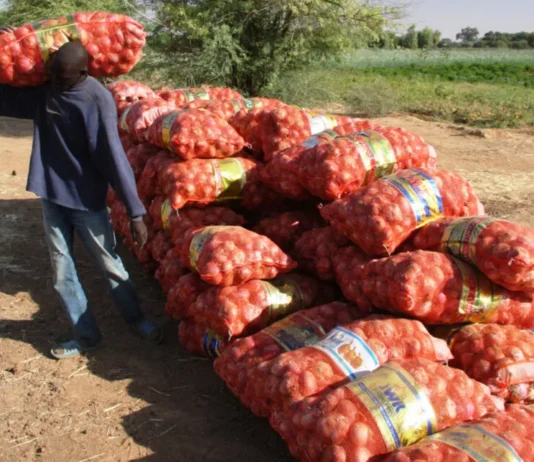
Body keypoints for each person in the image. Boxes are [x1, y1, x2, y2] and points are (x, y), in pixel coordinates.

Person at [0, 33, 162, 359]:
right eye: (55, 76)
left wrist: (135, 212)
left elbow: (112, 156)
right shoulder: (48, 91)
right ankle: (85, 334)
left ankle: (137, 319)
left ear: (83, 72)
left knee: (109, 263)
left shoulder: (96, 99)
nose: (59, 83)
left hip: (86, 198)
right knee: (62, 272)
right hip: (52, 193)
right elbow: (7, 101)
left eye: (65, 77)